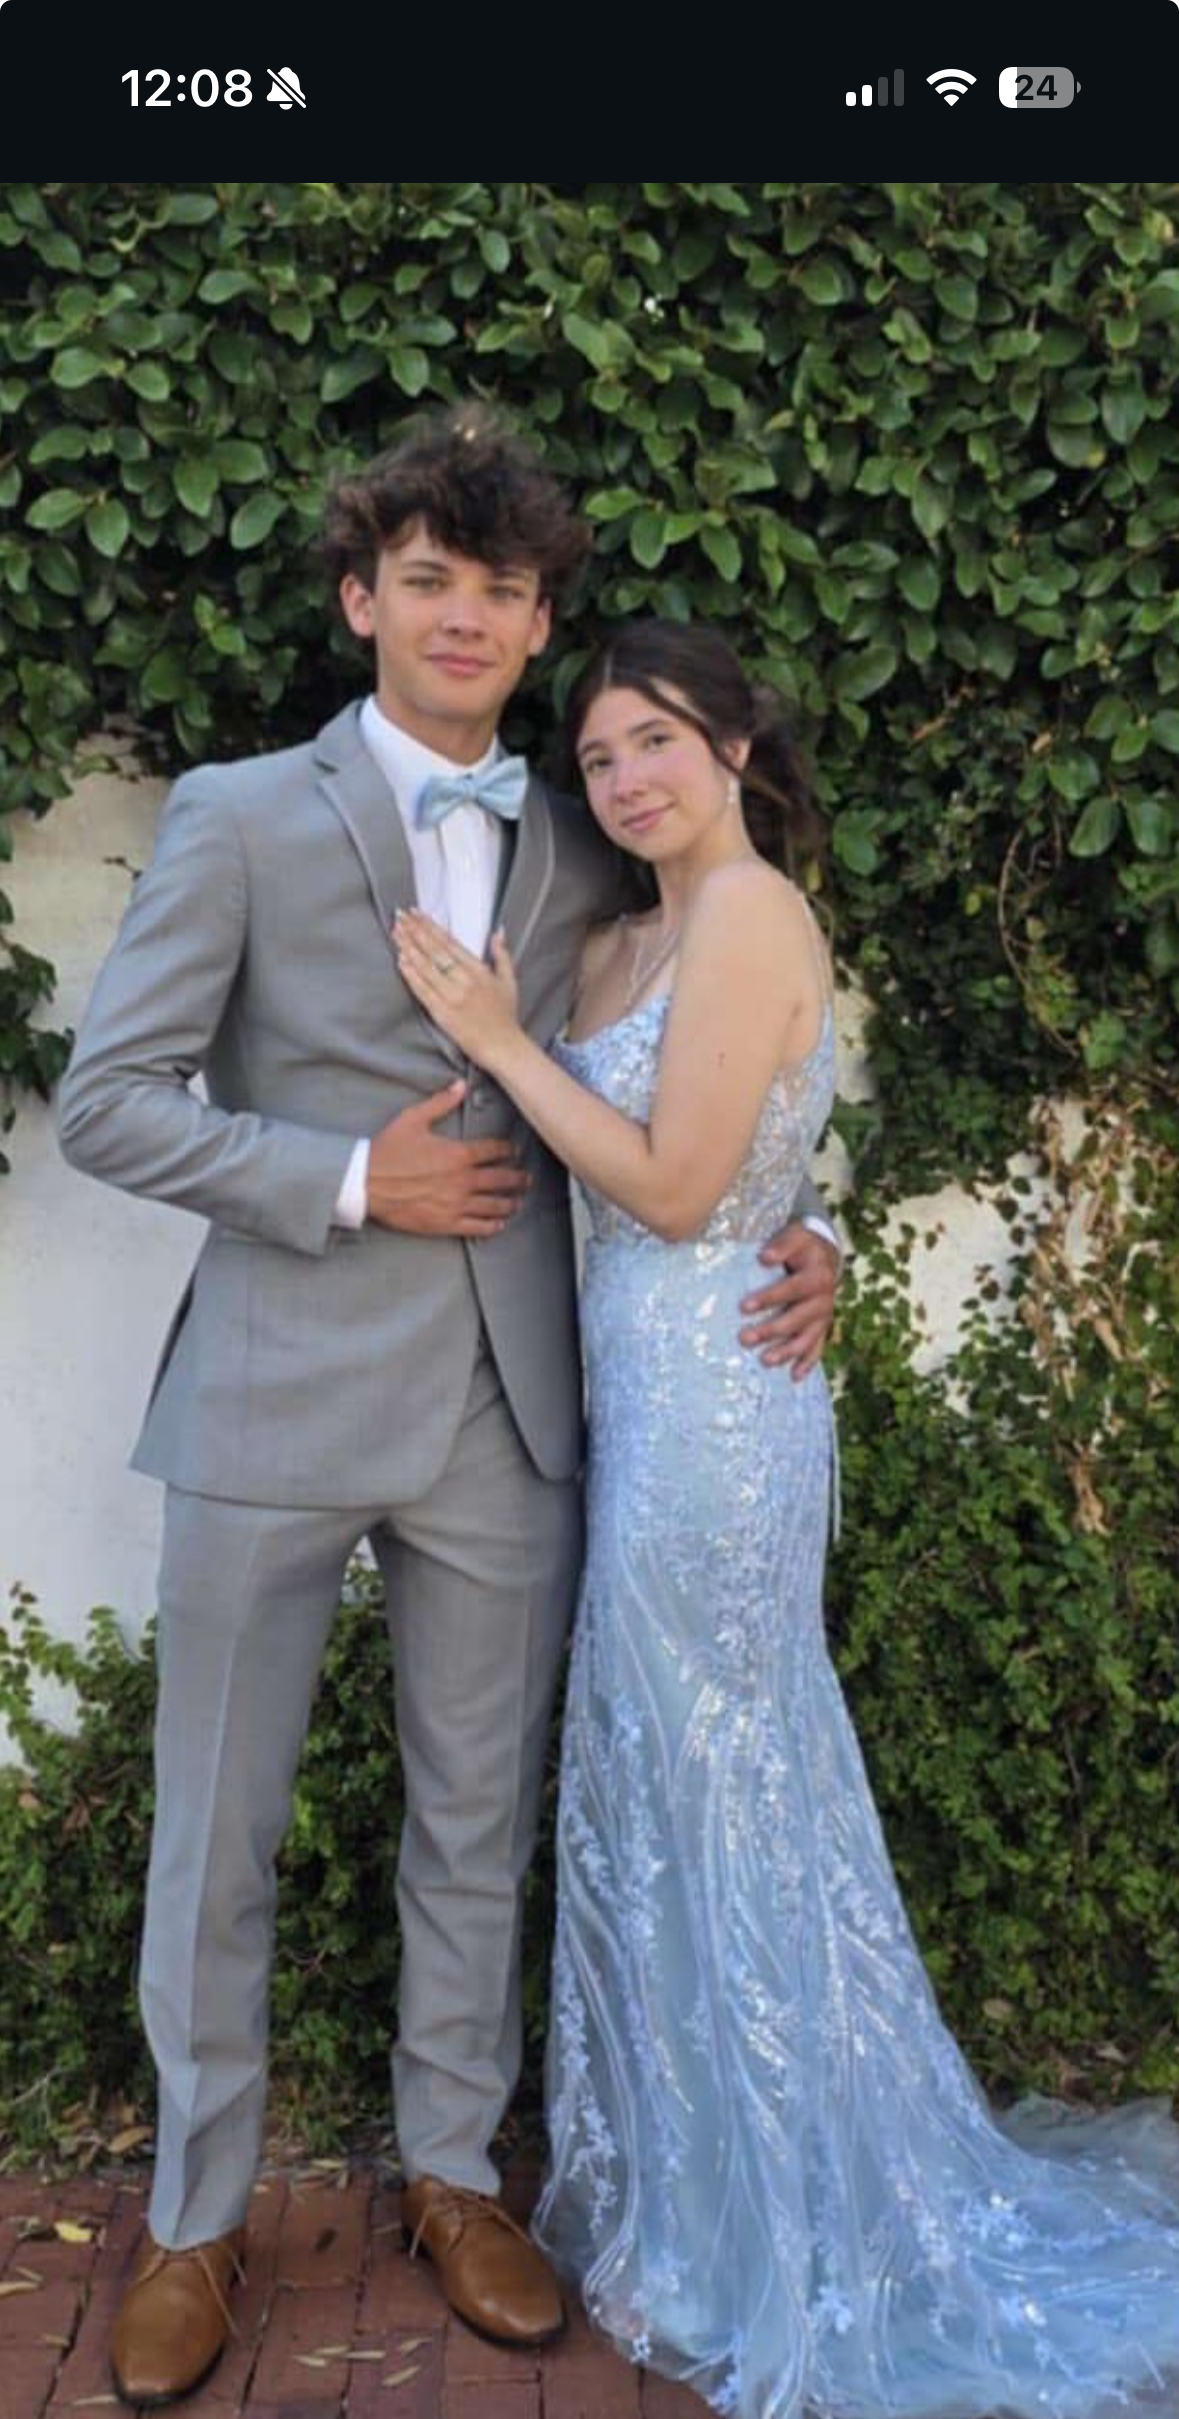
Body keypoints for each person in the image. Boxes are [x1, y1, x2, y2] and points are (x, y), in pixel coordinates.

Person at [56, 408, 839, 2409]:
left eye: (502, 588)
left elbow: (715, 1045)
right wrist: (344, 1179)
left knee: (473, 1824)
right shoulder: (241, 813)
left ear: (538, 619)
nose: (467, 616)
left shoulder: (594, 829)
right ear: (362, 600)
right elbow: (108, 1103)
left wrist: (803, 1222)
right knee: (215, 1833)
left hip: (516, 1408)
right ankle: (193, 2218)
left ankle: (452, 2171)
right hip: (273, 1392)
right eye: (429, 581)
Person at [395, 617, 1179, 2419]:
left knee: (727, 1778)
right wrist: (806, 1209)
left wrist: (503, 1043)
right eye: (598, 758)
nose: (625, 780)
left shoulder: (751, 913)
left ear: (738, 746)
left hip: (720, 1424)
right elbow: (764, 1146)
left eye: (657, 741)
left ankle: (792, 2202)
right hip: (636, 1407)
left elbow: (678, 1192)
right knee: (669, 1778)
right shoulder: (617, 937)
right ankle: (704, 2179)